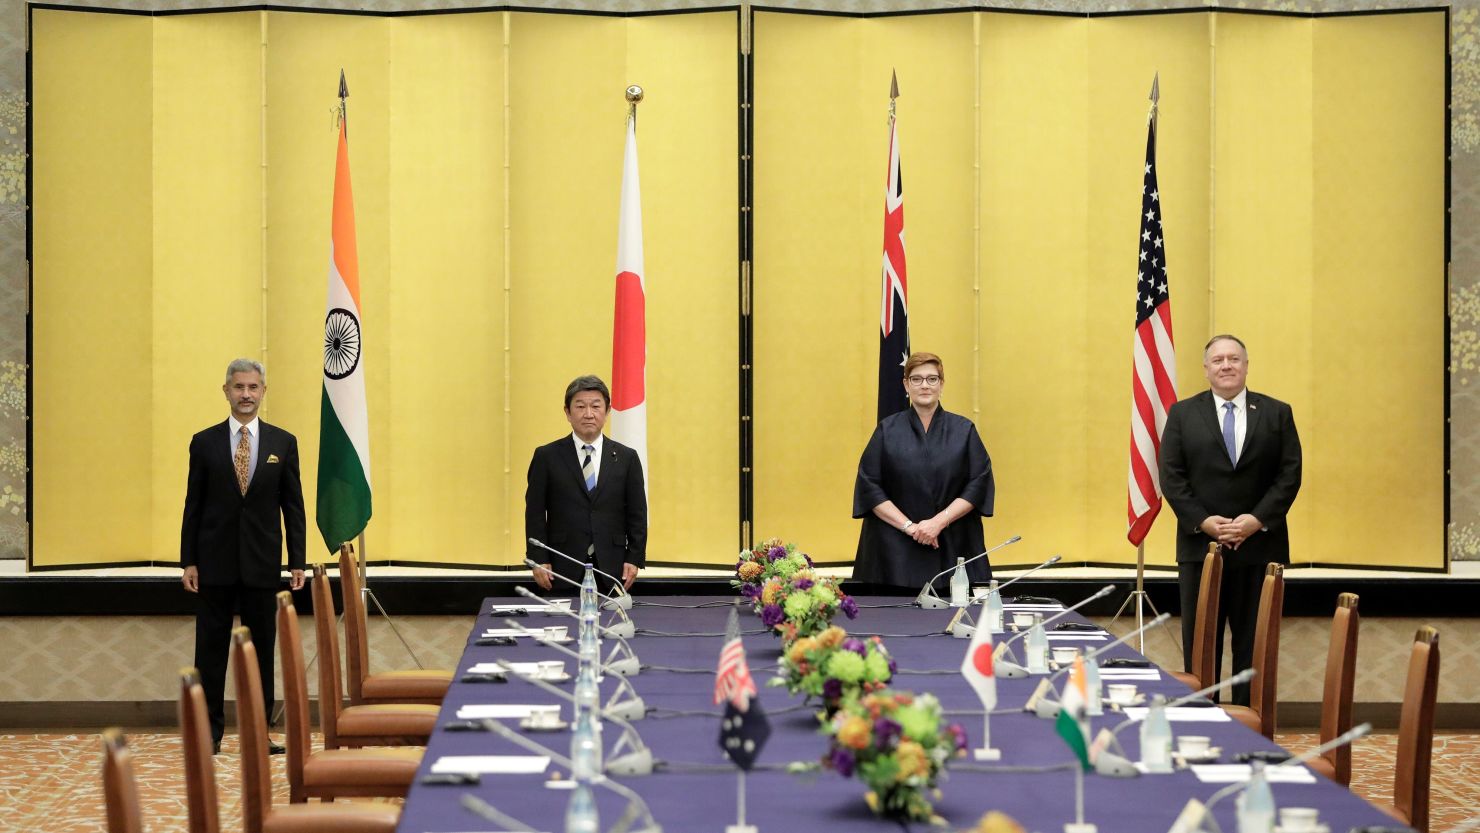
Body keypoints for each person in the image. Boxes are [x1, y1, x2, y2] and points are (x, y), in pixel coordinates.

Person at [1160, 334, 1302, 706]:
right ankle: (1202, 720)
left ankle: (1248, 724)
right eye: (1218, 360)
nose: (1226, 365)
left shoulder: (1277, 413)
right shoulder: (1182, 414)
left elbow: (1289, 474)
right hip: (1201, 549)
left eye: (1234, 359)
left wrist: (1256, 520)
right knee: (1201, 646)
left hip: (1260, 549)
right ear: (1206, 369)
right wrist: (1205, 522)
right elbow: (1172, 478)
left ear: (1246, 365)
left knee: (1253, 646)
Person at [181, 359, 305, 755]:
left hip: (261, 565)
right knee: (210, 654)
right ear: (226, 391)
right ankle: (208, 734)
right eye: (239, 387)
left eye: (253, 387)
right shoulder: (204, 442)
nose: (246, 394)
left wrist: (297, 560)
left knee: (260, 653)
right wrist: (188, 561)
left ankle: (258, 734)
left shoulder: (283, 443)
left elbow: (293, 506)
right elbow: (193, 506)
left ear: (264, 391)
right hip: (213, 565)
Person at [852, 352, 996, 590]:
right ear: (906, 384)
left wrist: (937, 523)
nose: (925, 385)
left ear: (942, 384)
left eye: (932, 379)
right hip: (894, 548)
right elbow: (869, 485)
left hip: (951, 543)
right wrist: (910, 527)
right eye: (916, 379)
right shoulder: (887, 430)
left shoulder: (964, 430)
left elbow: (979, 483)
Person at [525, 375, 647, 593]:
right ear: (567, 412)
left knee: (613, 625)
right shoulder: (547, 456)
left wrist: (634, 557)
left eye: (596, 406)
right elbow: (534, 513)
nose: (588, 414)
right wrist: (537, 558)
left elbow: (637, 513)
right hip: (561, 564)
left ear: (607, 411)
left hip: (614, 565)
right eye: (580, 406)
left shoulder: (627, 458)